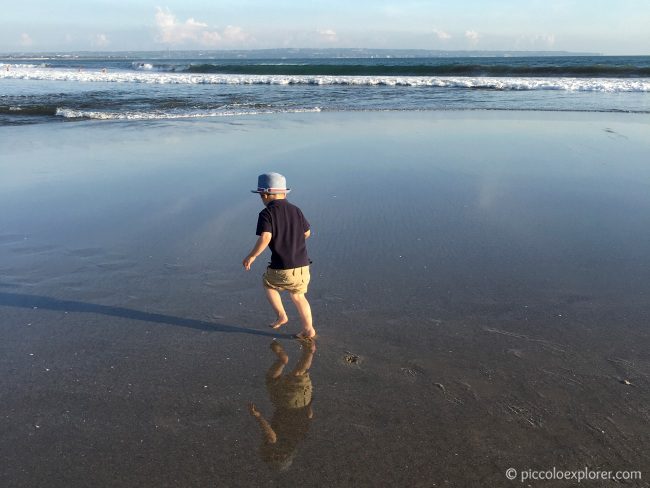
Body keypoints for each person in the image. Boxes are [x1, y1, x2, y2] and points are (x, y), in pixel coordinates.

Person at [243, 172, 316, 340]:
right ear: (284, 193)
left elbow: (266, 237)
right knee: (298, 296)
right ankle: (309, 329)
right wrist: (293, 239)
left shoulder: (266, 214)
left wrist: (252, 256)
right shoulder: (296, 210)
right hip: (303, 265)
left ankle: (281, 315)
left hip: (283, 266)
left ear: (265, 194)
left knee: (268, 284)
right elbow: (307, 232)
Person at [248, 339, 315, 471]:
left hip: (302, 403)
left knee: (291, 377)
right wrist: (258, 416)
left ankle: (286, 358)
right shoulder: (275, 446)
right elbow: (271, 436)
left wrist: (308, 402)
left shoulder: (298, 437)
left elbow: (310, 415)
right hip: (285, 404)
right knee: (288, 376)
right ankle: (307, 352)